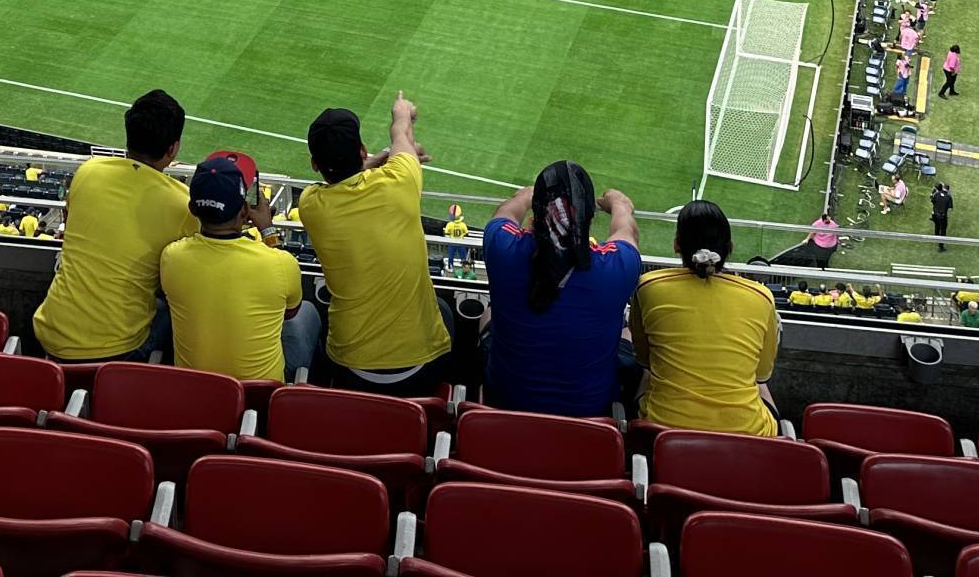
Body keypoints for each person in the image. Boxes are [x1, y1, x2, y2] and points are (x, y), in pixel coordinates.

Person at [299, 95, 454, 394]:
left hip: (349, 369)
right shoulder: (400, 181)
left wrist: (378, 159)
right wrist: (402, 113)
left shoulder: (311, 206)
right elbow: (401, 137)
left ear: (315, 165)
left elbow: (386, 157)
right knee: (444, 311)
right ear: (361, 149)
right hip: (420, 368)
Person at [33, 89, 194, 362]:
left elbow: (71, 226)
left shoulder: (88, 171)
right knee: (176, 309)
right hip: (119, 350)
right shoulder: (183, 204)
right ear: (173, 149)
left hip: (50, 332)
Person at [479, 161, 639, 416]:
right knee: (629, 332)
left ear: (535, 214)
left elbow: (504, 213)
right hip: (589, 418)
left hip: (505, 406)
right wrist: (620, 204)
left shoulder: (501, 248)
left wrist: (525, 195)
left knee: (487, 313)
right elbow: (626, 231)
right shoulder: (617, 267)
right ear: (589, 218)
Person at [159, 153, 320, 382]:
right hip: (259, 394)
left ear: (192, 209)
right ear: (244, 211)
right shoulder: (280, 263)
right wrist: (268, 231)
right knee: (309, 313)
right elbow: (289, 313)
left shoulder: (171, 257)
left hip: (195, 390)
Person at [630, 200, 780, 437]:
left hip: (662, 432)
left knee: (646, 375)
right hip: (748, 436)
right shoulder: (761, 297)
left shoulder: (649, 287)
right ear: (729, 247)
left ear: (677, 244)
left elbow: (645, 359)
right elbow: (761, 375)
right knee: (760, 386)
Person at [930, 180, 953, 249]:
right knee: (943, 230)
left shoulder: (937, 194)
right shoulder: (949, 197)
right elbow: (950, 208)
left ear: (943, 188)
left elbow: (933, 201)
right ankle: (941, 246)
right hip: (942, 216)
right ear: (948, 190)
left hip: (935, 214)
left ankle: (936, 236)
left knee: (937, 226)